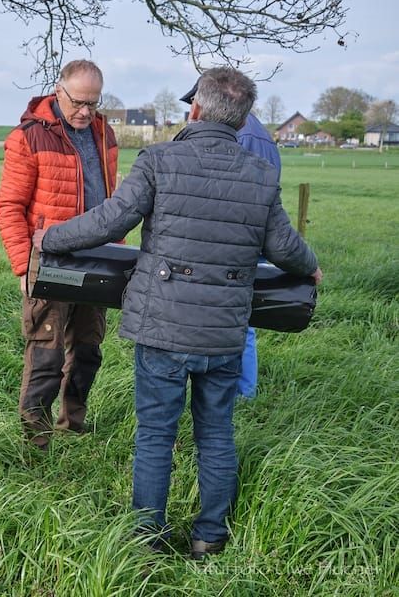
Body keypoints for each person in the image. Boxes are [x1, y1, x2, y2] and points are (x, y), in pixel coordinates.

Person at [34, 67, 323, 559]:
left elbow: (110, 221)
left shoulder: (160, 160)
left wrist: (50, 238)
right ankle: (210, 537)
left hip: (163, 326)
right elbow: (284, 246)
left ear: (195, 109)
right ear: (242, 117)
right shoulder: (260, 173)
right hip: (223, 333)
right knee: (216, 433)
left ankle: (147, 539)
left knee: (154, 436)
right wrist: (311, 266)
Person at [0, 59, 119, 449]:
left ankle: (73, 426)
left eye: (94, 104)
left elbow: (114, 199)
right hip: (49, 262)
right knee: (46, 355)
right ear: (58, 90)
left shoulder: (105, 134)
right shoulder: (29, 137)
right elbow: (9, 206)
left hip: (100, 258)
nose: (85, 112)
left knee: (87, 350)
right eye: (79, 102)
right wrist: (22, 267)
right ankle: (37, 442)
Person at [180, 82, 283, 399]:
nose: (190, 114)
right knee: (241, 315)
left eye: (193, 104)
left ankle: (241, 392)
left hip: (230, 242)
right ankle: (240, 391)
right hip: (250, 237)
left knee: (237, 320)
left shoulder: (239, 137)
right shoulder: (260, 133)